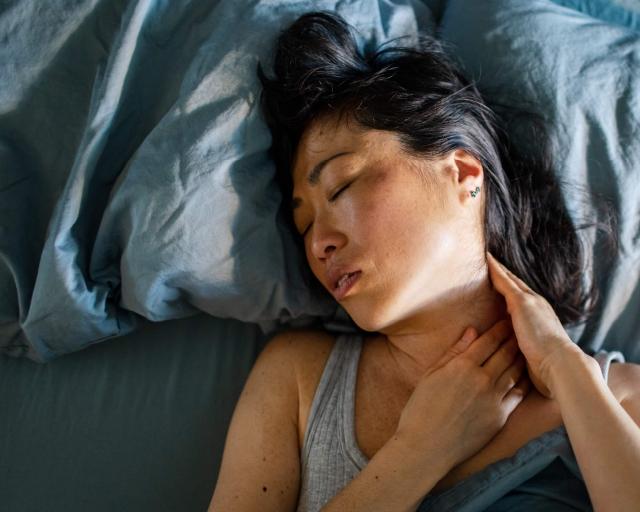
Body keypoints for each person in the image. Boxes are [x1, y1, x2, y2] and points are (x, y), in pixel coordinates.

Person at [210, 11, 640, 512]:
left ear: (461, 172)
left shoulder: (619, 397)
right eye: (304, 225)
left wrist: (567, 368)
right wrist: (419, 452)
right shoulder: (298, 381)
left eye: (342, 185)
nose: (318, 243)